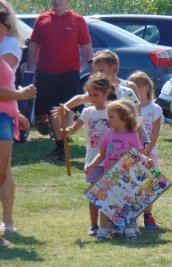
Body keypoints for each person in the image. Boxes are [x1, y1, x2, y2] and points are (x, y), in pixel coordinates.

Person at [26, 0, 94, 161]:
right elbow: (34, 45)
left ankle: (65, 140)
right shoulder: (42, 19)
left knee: (65, 108)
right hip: (46, 73)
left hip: (69, 73)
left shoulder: (78, 20)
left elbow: (86, 46)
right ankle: (60, 146)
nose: (57, 2)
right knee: (51, 110)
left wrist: (94, 71)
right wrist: (30, 70)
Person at [60, 73, 113, 237]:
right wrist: (67, 131)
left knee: (110, 193)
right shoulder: (87, 112)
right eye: (89, 95)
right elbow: (75, 128)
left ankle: (111, 223)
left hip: (111, 159)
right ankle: (93, 225)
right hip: (92, 158)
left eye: (95, 95)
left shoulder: (112, 111)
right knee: (94, 193)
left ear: (106, 93)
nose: (91, 98)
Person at [0, 9, 36, 247]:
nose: (9, 23)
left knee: (2, 173)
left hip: (5, 116)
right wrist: (21, 94)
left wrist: (17, 111)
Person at [85, 99, 145, 241]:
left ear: (124, 118)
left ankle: (129, 227)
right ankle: (103, 229)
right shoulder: (108, 135)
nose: (108, 120)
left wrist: (145, 159)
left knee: (128, 203)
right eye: (108, 116)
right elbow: (102, 154)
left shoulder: (133, 136)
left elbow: (139, 154)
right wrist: (92, 165)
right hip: (109, 175)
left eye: (112, 117)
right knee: (106, 204)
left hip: (126, 177)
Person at [128, 71, 163, 230]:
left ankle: (148, 216)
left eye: (138, 88)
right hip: (133, 154)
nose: (134, 93)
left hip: (150, 153)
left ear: (147, 87)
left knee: (149, 186)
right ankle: (132, 217)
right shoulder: (129, 108)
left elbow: (155, 132)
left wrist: (147, 150)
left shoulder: (154, 108)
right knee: (133, 185)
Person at [0, 0, 23, 236]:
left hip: (4, 110)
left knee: (4, 170)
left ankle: (7, 220)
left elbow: (4, 80)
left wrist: (18, 105)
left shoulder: (9, 44)